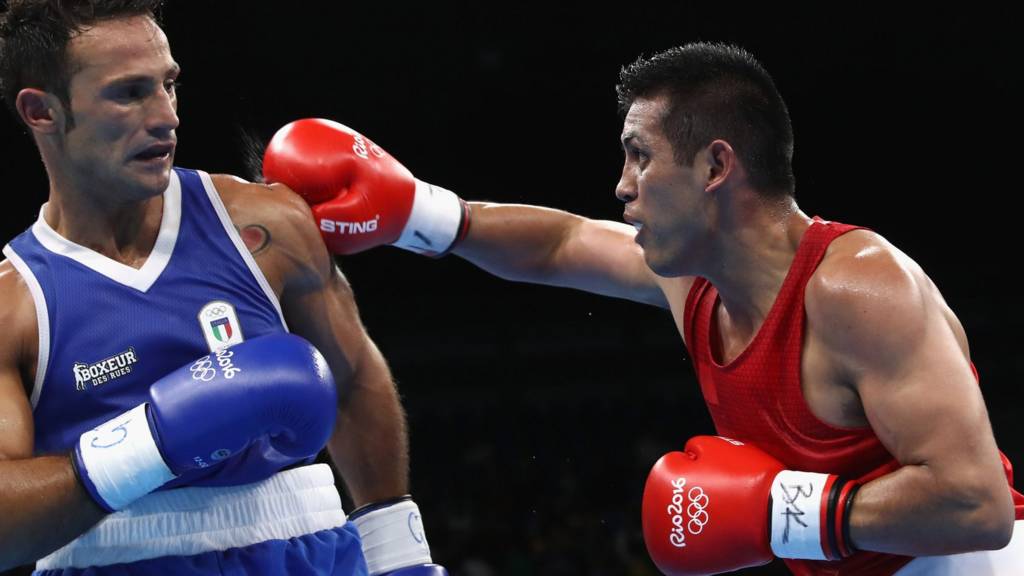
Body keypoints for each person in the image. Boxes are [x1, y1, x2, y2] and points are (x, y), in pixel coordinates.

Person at [262, 43, 1024, 574]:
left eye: (640, 154)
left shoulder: (858, 288)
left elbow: (975, 503)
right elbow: (561, 244)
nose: (622, 184)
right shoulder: (694, 280)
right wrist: (416, 213)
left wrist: (779, 514)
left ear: (717, 164)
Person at [0, 1, 447, 574]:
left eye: (169, 84)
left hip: (304, 547)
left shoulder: (265, 225)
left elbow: (353, 377)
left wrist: (399, 555)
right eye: (130, 93)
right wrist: (152, 442)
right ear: (42, 111)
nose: (166, 116)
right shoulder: (17, 304)